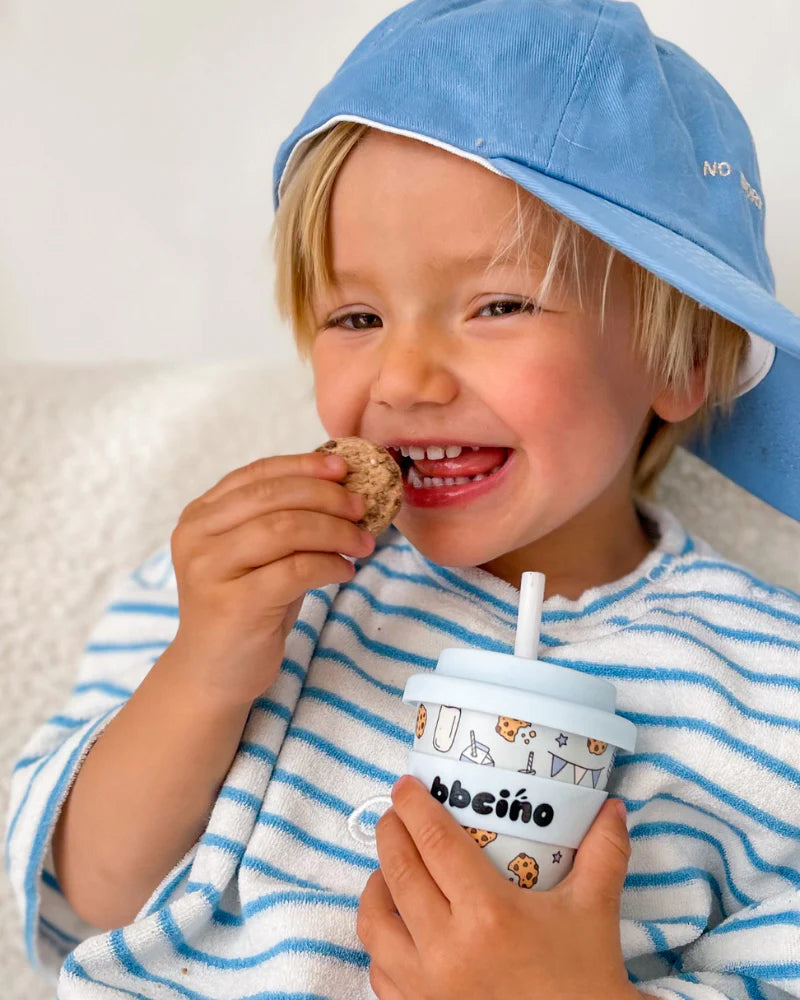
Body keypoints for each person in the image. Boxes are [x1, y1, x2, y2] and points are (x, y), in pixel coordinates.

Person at [6, 0, 800, 997]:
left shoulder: (769, 690)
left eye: (497, 304)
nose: (404, 379)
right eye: (355, 315)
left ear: (675, 357)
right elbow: (88, 893)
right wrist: (205, 667)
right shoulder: (249, 588)